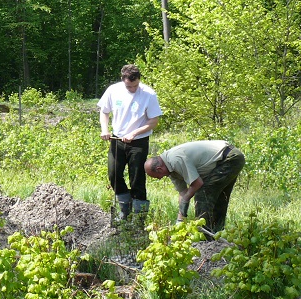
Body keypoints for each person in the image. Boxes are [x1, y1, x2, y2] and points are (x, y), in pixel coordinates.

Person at [98, 64, 162, 220]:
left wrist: (134, 133)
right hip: (117, 139)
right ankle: (124, 208)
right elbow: (104, 111)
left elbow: (154, 121)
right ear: (123, 80)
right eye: (129, 86)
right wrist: (105, 129)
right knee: (113, 173)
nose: (132, 89)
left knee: (137, 177)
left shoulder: (149, 94)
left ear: (139, 80)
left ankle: (139, 217)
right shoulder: (114, 90)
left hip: (138, 142)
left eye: (135, 86)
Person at [145, 141, 245, 235]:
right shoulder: (170, 170)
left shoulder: (175, 159)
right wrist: (180, 220)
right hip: (225, 160)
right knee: (219, 198)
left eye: (156, 176)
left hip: (230, 158)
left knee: (203, 194)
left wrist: (186, 198)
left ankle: (205, 237)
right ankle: (217, 236)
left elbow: (197, 184)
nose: (159, 179)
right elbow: (183, 193)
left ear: (159, 169)